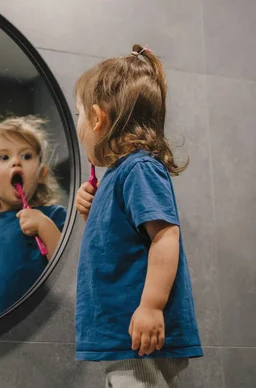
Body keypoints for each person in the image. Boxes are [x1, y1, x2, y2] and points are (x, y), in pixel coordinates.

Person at [74, 44, 203, 387]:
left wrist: (150, 307)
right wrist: (95, 213)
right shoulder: (120, 175)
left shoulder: (139, 169)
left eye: (78, 115)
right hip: (128, 330)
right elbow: (123, 243)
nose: (79, 125)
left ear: (98, 118)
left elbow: (165, 236)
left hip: (138, 331)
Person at [0, 116, 67, 326]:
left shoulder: (53, 216)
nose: (16, 161)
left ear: (41, 174)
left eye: (27, 155)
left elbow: (69, 270)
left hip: (39, 332)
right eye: (3, 157)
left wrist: (44, 226)